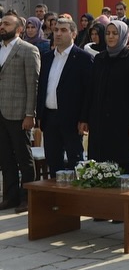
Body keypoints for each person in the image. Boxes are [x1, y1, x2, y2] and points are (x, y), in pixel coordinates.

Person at [82, 20, 129, 176]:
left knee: (119, 166)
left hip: (122, 123)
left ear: (123, 35)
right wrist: (85, 118)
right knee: (97, 166)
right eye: (108, 33)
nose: (110, 37)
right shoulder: (100, 58)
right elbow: (90, 90)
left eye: (115, 33)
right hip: (99, 120)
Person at [37, 16, 92, 177]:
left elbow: (88, 92)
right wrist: (40, 114)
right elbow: (42, 87)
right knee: (54, 161)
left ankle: (77, 200)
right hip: (50, 117)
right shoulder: (47, 57)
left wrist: (84, 118)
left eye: (63, 30)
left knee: (76, 162)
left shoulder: (83, 58)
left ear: (73, 34)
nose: (58, 34)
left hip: (72, 119)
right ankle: (56, 200)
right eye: (56, 30)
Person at [0, 15, 41, 212]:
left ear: (18, 29)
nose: (2, 26)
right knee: (5, 157)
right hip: (1, 112)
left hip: (18, 113)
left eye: (6, 24)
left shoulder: (28, 50)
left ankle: (27, 197)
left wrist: (29, 114)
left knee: (24, 157)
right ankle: (11, 196)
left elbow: (32, 85)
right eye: (1, 23)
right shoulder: (0, 49)